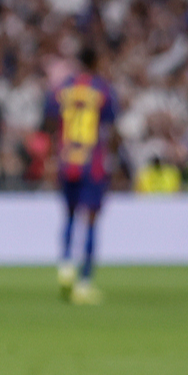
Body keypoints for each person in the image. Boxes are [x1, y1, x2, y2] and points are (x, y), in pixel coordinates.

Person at [45, 45, 119, 305]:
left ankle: (65, 266)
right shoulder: (103, 90)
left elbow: (50, 121)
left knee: (68, 215)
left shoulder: (62, 89)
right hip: (92, 162)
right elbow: (111, 126)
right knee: (91, 220)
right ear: (97, 60)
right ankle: (84, 282)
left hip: (67, 160)